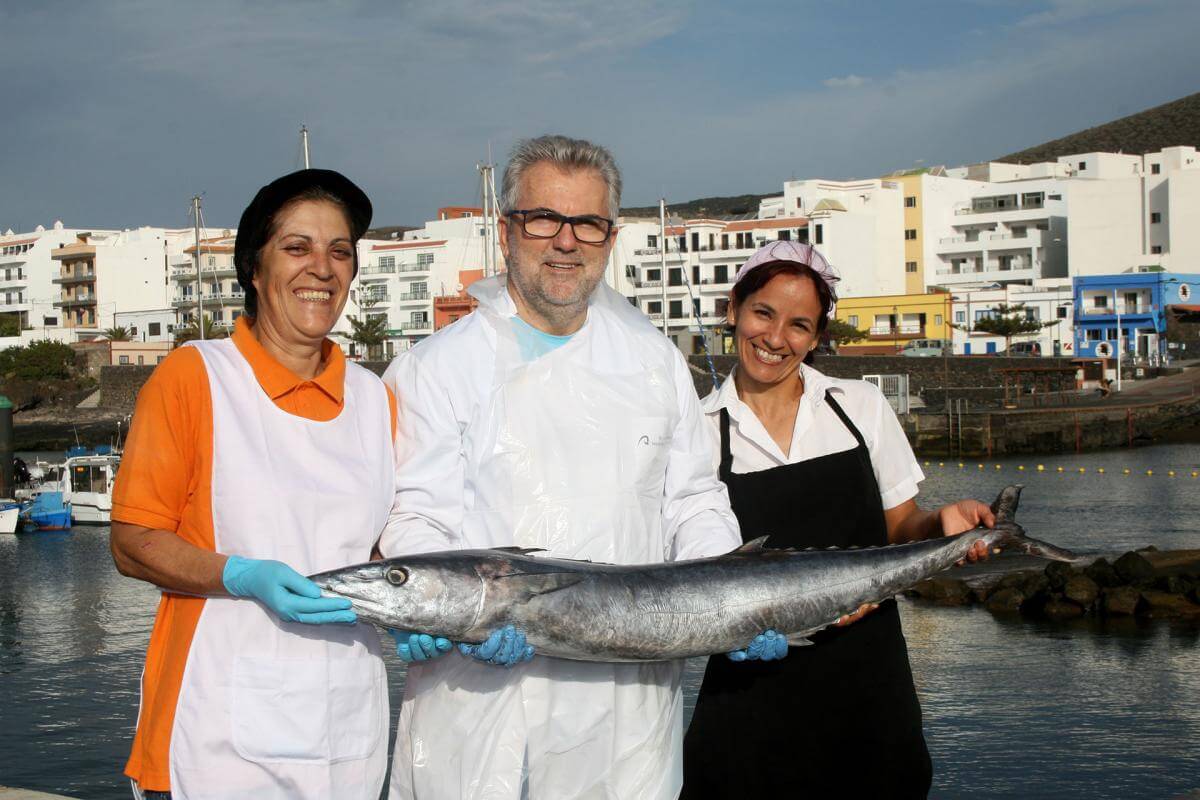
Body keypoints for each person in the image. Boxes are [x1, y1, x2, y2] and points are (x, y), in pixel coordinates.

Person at [379, 135, 744, 799]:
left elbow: (694, 499)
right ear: (506, 230)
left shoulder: (654, 361)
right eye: (543, 218)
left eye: (588, 224)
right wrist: (438, 617)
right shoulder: (436, 367)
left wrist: (732, 599)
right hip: (478, 697)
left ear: (611, 235)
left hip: (626, 710)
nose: (565, 241)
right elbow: (417, 513)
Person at [110, 169, 396, 800]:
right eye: (297, 248)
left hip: (347, 737)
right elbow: (133, 541)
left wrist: (419, 609)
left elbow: (375, 550)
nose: (321, 268)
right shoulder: (196, 378)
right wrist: (240, 575)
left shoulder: (377, 400)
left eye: (339, 251)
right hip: (212, 739)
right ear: (254, 269)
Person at [681, 241, 994, 799]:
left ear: (817, 336)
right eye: (763, 313)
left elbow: (900, 527)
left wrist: (943, 521)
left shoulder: (859, 405)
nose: (776, 339)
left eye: (799, 325)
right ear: (733, 309)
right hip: (748, 696)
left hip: (869, 689)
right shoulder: (698, 431)